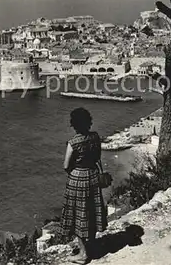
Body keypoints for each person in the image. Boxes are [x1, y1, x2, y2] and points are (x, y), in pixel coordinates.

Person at [60, 107, 107, 264]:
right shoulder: (95, 137)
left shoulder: (73, 143)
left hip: (78, 179)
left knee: (77, 216)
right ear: (89, 121)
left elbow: (66, 166)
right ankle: (92, 245)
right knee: (91, 211)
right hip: (93, 176)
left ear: (74, 124)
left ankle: (83, 254)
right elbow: (97, 157)